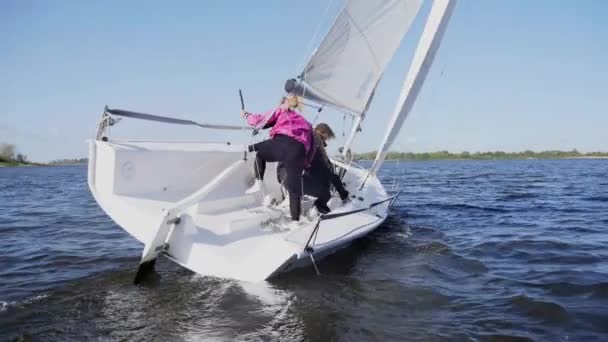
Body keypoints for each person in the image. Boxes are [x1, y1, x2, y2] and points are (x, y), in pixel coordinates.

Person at [242, 95, 314, 222]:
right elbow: (311, 148)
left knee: (260, 154)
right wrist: (305, 163)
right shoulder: (306, 123)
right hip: (299, 151)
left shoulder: (282, 110)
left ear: (284, 102)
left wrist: (246, 115)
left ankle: (259, 182)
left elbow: (259, 120)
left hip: (283, 142)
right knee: (294, 190)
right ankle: (295, 222)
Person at [278, 123, 349, 214]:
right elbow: (328, 172)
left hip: (283, 177)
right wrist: (343, 194)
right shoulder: (315, 148)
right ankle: (317, 210)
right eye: (325, 139)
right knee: (326, 194)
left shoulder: (300, 138)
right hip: (297, 180)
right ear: (322, 134)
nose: (325, 143)